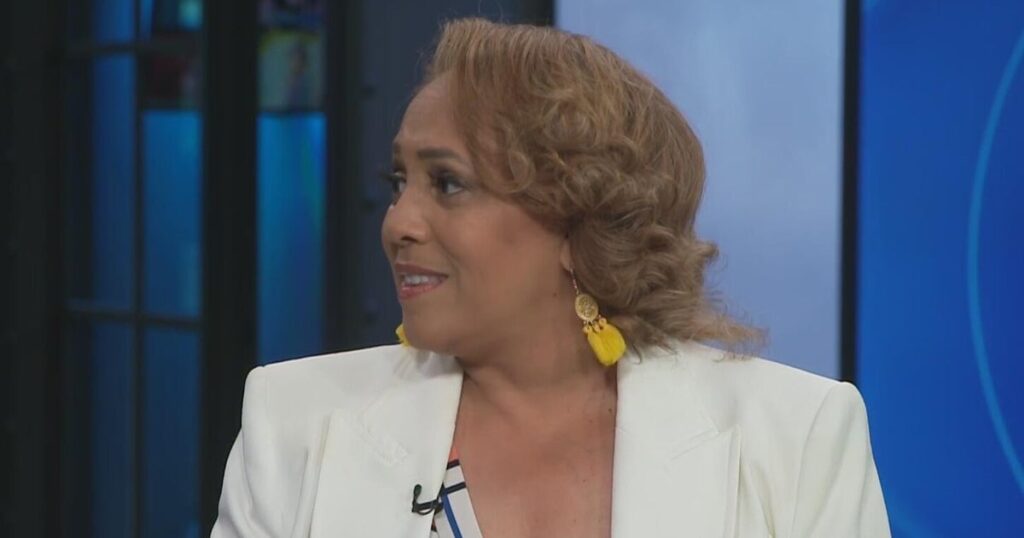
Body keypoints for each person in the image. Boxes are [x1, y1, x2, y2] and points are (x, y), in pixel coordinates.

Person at [212, 18, 890, 537]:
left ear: (575, 219)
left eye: (447, 183)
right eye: (399, 182)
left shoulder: (796, 438)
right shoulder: (295, 424)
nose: (398, 223)